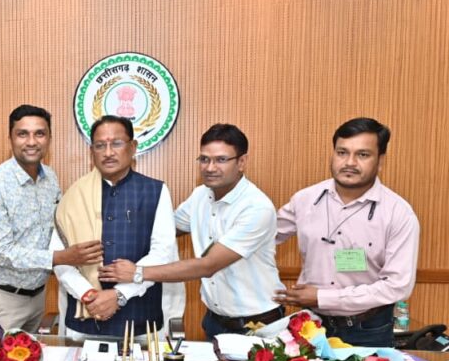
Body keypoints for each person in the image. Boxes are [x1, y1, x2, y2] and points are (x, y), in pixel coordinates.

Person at [102, 124, 284, 337]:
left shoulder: (256, 208)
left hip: (259, 324)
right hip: (215, 321)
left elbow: (208, 265)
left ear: (241, 162)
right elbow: (164, 230)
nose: (210, 168)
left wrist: (138, 273)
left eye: (221, 160)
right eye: (204, 159)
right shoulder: (200, 195)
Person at [275, 117, 419, 347]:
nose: (349, 162)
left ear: (380, 160)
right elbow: (259, 239)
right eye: (342, 152)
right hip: (310, 325)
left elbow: (397, 286)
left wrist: (322, 297)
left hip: (368, 329)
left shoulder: (398, 213)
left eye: (362, 154)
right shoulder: (305, 200)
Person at [0, 105, 102, 331]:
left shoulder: (50, 177)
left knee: (31, 354)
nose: (31, 142)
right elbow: (0, 251)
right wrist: (59, 257)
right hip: (3, 301)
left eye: (40, 134)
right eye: (23, 134)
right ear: (10, 139)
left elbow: (58, 228)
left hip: (38, 297)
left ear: (49, 139)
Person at [52, 115, 182, 338]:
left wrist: (119, 295)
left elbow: (163, 253)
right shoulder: (73, 196)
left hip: (141, 320)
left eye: (117, 143)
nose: (108, 152)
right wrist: (89, 295)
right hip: (84, 319)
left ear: (133, 147)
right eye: (100, 145)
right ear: (91, 151)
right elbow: (59, 257)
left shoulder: (155, 191)